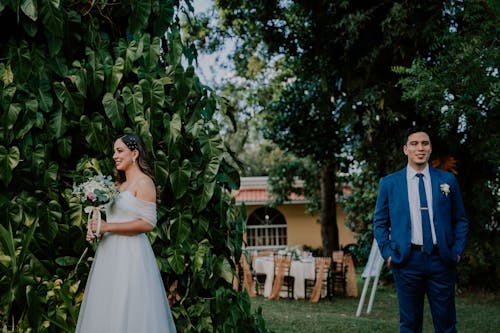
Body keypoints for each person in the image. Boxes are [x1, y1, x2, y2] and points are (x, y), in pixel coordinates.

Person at [76, 133, 177, 333]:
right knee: (107, 307)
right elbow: (112, 220)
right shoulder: (116, 186)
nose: (114, 156)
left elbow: (148, 223)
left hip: (131, 255)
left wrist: (107, 227)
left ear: (135, 153)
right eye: (114, 151)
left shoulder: (144, 183)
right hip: (108, 254)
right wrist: (98, 230)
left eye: (119, 151)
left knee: (129, 308)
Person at [373, 126, 468, 333]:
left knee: (446, 325)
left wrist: (457, 251)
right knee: (409, 325)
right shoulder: (389, 183)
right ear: (405, 149)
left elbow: (460, 219)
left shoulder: (447, 181)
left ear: (430, 148)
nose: (420, 148)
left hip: (441, 260)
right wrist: (388, 254)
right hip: (407, 261)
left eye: (424, 143)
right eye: (414, 144)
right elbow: (379, 223)